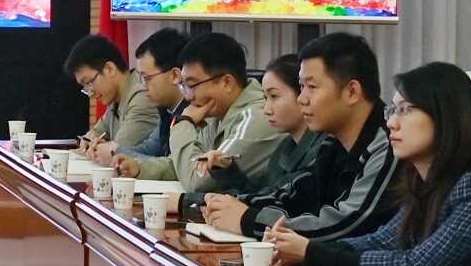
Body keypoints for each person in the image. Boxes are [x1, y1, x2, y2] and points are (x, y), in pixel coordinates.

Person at [270, 60, 471, 266]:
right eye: (392, 110)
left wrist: (312, 254)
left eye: (405, 110)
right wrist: (304, 248)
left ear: (444, 116)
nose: (391, 122)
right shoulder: (429, 177)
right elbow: (383, 241)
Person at [204, 30, 397, 247]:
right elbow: (293, 198)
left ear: (352, 92)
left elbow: (348, 224)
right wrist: (220, 205)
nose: (302, 99)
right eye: (301, 86)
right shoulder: (333, 142)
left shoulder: (389, 143)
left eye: (311, 87)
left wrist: (248, 220)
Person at [160, 31, 280, 214]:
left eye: (192, 85)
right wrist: (137, 168)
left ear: (227, 82)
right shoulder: (216, 112)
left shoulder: (256, 118)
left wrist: (182, 123)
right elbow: (182, 163)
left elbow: (196, 181)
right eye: (184, 86)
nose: (188, 96)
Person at [93, 29, 192, 171]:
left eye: (147, 78)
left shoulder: (194, 113)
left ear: (175, 75)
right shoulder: (167, 109)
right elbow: (150, 149)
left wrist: (115, 152)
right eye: (141, 78)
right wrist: (113, 150)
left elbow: (174, 165)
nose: (143, 86)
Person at [63, 34, 155, 157]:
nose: (90, 93)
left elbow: (116, 152)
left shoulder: (142, 97)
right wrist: (90, 139)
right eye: (85, 87)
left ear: (110, 69)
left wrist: (98, 146)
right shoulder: (116, 98)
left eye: (89, 82)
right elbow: (96, 133)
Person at [244, 52, 318, 196]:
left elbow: (274, 197)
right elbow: (262, 192)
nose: (266, 110)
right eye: (265, 98)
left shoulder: (323, 149)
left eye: (274, 96)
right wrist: (225, 170)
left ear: (303, 94)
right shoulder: (284, 147)